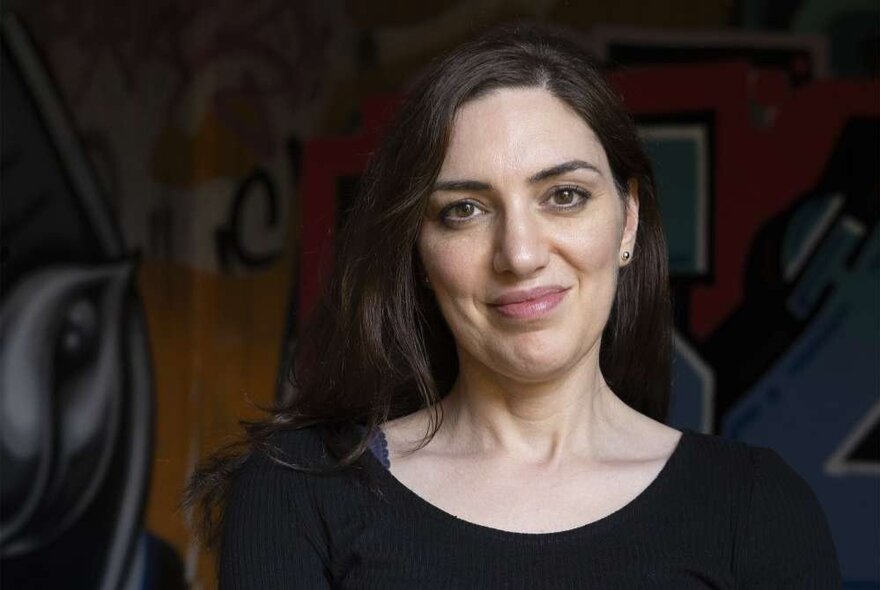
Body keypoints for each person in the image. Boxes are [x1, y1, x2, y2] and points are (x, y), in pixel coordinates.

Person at [185, 24, 842, 589]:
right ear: (421, 249)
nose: (520, 253)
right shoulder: (301, 494)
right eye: (464, 210)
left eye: (563, 196)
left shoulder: (756, 507)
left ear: (628, 222)